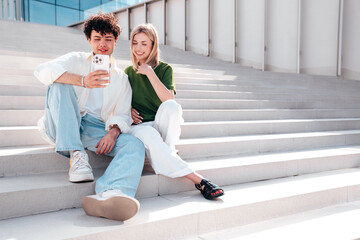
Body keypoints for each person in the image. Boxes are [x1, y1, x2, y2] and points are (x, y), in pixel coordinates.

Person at [34, 13, 145, 221]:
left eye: (108, 39)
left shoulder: (121, 78)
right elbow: (42, 70)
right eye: (97, 38)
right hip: (62, 122)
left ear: (115, 42)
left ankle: (110, 193)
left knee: (134, 145)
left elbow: (122, 113)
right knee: (59, 81)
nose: (102, 44)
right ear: (89, 40)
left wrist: (113, 133)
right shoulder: (75, 59)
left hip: (94, 128)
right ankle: (76, 154)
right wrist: (82, 80)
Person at [125, 23, 224, 200]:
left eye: (144, 43)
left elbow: (168, 99)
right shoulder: (127, 72)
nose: (138, 48)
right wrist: (128, 108)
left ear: (153, 45)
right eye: (135, 43)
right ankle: (200, 181)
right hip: (139, 126)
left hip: (159, 124)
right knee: (148, 132)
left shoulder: (164, 69)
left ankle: (167, 151)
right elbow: (117, 101)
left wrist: (150, 73)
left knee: (173, 107)